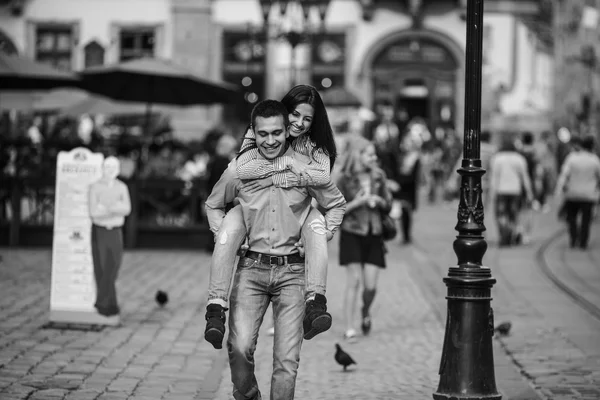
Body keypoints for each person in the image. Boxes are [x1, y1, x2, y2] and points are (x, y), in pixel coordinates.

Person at [205, 99, 346, 400]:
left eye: (277, 133)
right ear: (253, 133)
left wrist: (322, 235)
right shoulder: (239, 170)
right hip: (251, 270)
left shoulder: (304, 168)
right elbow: (213, 205)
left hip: (293, 274)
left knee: (286, 363)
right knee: (239, 348)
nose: (270, 140)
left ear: (286, 132)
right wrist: (225, 235)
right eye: (263, 134)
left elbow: (335, 204)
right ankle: (249, 393)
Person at [336, 135, 392, 339]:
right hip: (352, 232)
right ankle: (349, 327)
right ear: (357, 155)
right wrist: (358, 203)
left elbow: (389, 204)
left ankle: (365, 310)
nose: (374, 157)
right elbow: (335, 209)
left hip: (374, 233)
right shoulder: (344, 178)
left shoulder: (379, 176)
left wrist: (379, 201)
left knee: (371, 286)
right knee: (354, 281)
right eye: (369, 154)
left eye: (374, 154)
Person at [88, 156, 132, 317]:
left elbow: (126, 208)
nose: (110, 171)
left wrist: (105, 207)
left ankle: (101, 300)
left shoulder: (122, 187)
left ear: (118, 170)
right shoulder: (95, 187)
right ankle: (108, 305)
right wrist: (114, 208)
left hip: (115, 231)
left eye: (113, 167)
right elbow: (94, 212)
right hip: (99, 231)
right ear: (102, 168)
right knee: (101, 266)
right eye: (107, 167)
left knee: (113, 266)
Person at [555, 135, 600, 249]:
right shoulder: (594, 159)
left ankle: (573, 237)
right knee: (586, 220)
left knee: (571, 218)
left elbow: (564, 175)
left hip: (572, 193)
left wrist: (558, 191)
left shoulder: (572, 158)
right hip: (589, 195)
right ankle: (583, 242)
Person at [489, 136, 533, 246]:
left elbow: (494, 178)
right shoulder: (519, 158)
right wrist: (529, 193)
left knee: (501, 214)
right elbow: (525, 177)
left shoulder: (497, 158)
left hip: (501, 191)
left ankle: (504, 234)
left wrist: (492, 193)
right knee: (514, 214)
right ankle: (512, 234)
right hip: (515, 191)